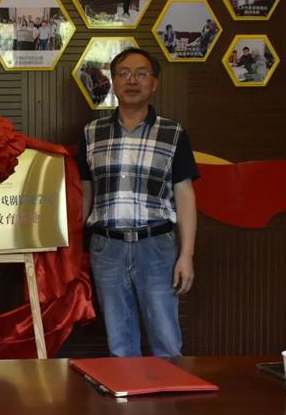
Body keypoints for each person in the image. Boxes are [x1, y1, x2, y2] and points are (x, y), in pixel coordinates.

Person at [77, 47, 198, 357]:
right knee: (120, 344)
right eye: (124, 74)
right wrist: (74, 248)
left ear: (154, 83)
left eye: (141, 74)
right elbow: (85, 194)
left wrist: (186, 255)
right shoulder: (91, 133)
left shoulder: (173, 133)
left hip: (156, 247)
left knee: (166, 342)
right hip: (107, 249)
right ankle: (126, 391)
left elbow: (184, 195)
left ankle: (170, 390)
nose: (132, 81)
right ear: (114, 82)